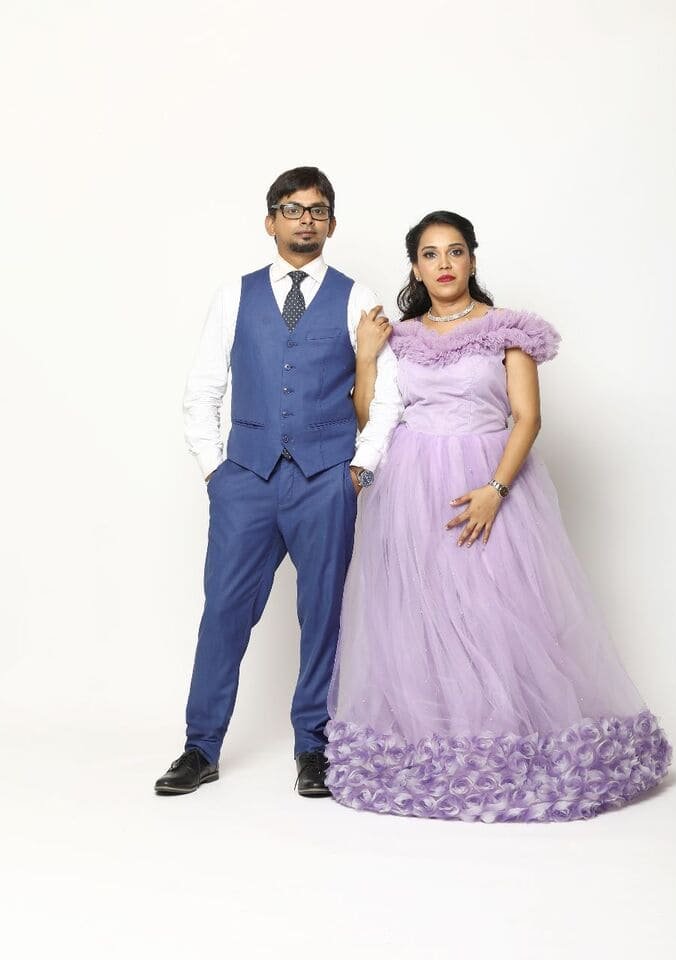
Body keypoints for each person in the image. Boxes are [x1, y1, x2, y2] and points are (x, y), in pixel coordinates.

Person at [325, 211, 672, 822]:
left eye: (455, 251)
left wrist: (495, 488)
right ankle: (435, 747)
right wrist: (367, 358)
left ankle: (505, 746)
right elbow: (372, 419)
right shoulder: (400, 337)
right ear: (415, 268)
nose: (444, 264)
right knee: (421, 614)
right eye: (430, 254)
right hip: (410, 486)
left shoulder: (506, 329)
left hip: (487, 481)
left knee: (494, 610)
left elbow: (527, 417)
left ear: (473, 259)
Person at [154, 167, 403, 797]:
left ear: (332, 224)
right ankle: (200, 746)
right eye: (293, 209)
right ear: (271, 221)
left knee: (323, 615)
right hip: (246, 477)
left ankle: (314, 747)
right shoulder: (233, 296)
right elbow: (203, 388)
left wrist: (360, 468)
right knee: (224, 611)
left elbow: (387, 394)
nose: (305, 219)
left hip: (326, 479)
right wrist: (215, 470)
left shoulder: (356, 295)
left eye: (317, 210)